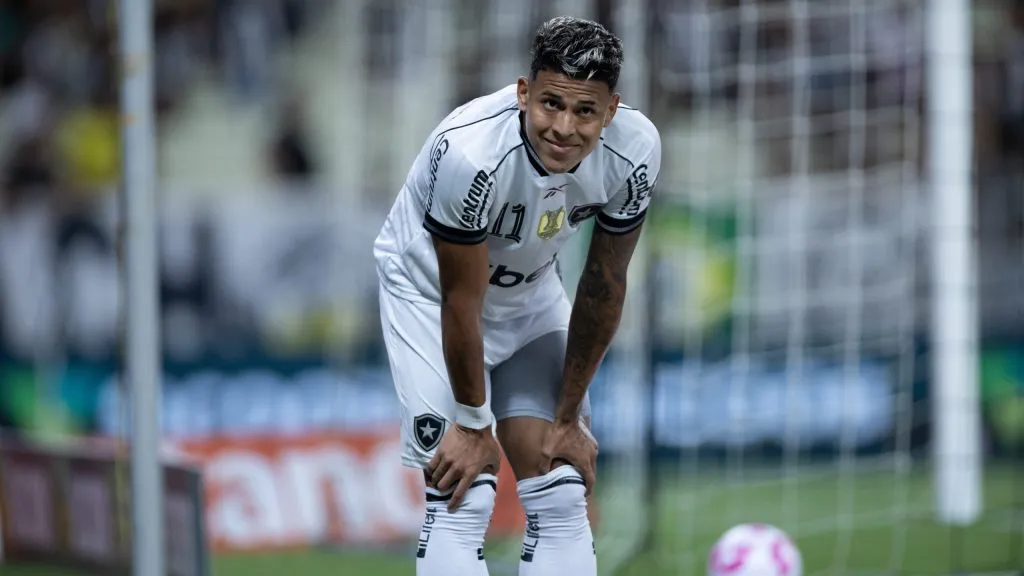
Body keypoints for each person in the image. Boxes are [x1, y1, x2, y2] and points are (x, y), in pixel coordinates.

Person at [373, 15, 660, 576]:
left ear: (612, 109)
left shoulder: (636, 152)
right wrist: (475, 426)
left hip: (529, 294)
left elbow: (604, 284)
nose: (565, 128)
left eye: (585, 111)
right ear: (524, 92)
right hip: (429, 300)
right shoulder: (469, 153)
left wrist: (569, 415)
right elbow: (461, 299)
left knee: (560, 482)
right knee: (463, 490)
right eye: (551, 103)